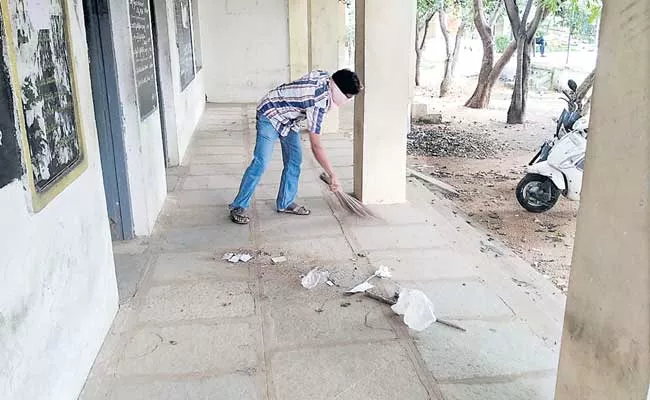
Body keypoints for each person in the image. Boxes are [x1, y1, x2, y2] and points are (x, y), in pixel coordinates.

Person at [229, 69, 362, 224]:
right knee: (261, 162)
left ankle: (285, 203)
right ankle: (238, 206)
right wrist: (332, 174)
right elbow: (316, 145)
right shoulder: (318, 102)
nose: (349, 100)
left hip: (289, 119)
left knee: (294, 161)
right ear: (338, 91)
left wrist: (358, 85)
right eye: (348, 96)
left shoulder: (326, 79)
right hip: (270, 114)